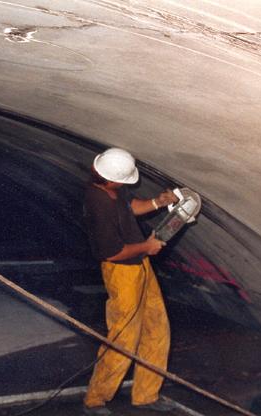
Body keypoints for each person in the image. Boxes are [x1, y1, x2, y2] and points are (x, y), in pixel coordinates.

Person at [82, 148, 179, 416]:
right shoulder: (98, 204)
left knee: (157, 328)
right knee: (123, 337)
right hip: (121, 272)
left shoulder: (112, 188)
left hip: (139, 266)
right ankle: (95, 399)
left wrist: (159, 202)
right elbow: (112, 252)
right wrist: (147, 247)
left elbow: (130, 207)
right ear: (111, 180)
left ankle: (146, 395)